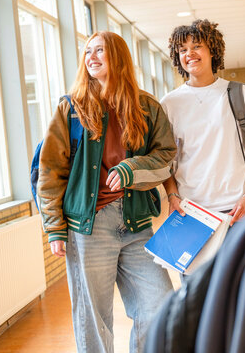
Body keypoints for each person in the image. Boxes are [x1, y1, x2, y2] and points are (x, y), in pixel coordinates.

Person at [37, 31, 176, 353]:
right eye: (88, 52)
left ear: (119, 57)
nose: (92, 57)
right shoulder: (70, 109)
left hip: (137, 222)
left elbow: (166, 155)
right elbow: (50, 171)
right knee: (93, 318)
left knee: (159, 306)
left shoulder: (146, 106)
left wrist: (132, 169)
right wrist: (54, 228)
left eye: (100, 50)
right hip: (88, 227)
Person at [161, 19, 245, 226]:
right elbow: (165, 162)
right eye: (183, 49)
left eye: (197, 46)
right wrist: (173, 196)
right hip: (190, 212)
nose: (189, 53)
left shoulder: (238, 93)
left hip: (237, 211)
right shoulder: (169, 103)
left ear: (213, 51)